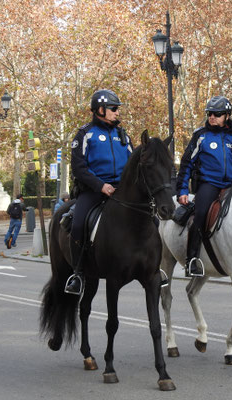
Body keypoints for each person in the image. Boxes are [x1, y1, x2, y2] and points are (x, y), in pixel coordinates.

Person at [177, 95, 232, 277]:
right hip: (209, 183)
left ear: (227, 115)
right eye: (210, 114)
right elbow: (186, 163)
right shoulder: (201, 135)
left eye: (216, 114)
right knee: (199, 214)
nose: (212, 117)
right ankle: (191, 259)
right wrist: (182, 190)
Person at [64, 89, 132, 295]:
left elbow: (132, 162)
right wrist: (101, 185)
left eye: (117, 109)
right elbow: (79, 168)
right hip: (94, 191)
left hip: (121, 191)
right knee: (77, 224)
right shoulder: (85, 134)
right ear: (100, 109)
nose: (117, 112)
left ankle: (153, 266)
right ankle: (77, 273)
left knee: (151, 220)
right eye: (113, 109)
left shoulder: (123, 135)